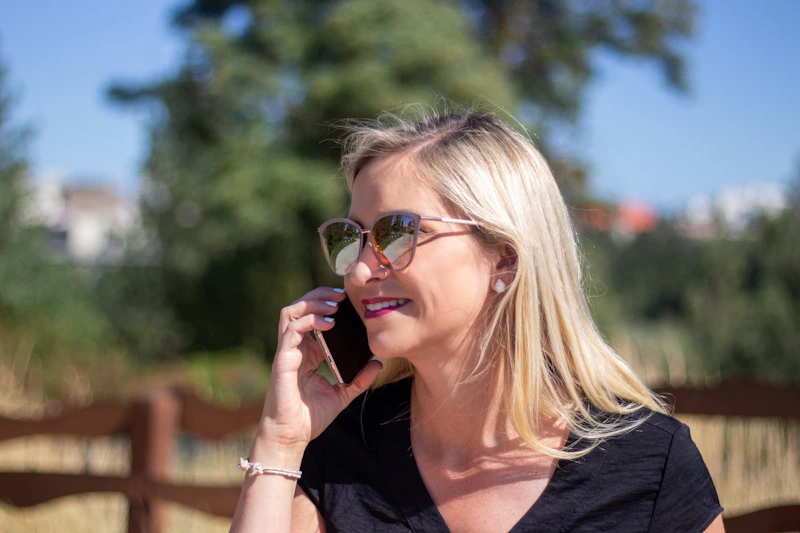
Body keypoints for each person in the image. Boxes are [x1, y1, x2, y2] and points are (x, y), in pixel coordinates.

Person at [230, 107, 725, 533]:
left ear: (504, 260)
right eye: (352, 238)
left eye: (396, 234)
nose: (359, 272)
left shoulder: (649, 466)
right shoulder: (340, 452)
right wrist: (280, 441)